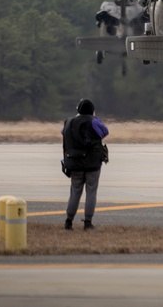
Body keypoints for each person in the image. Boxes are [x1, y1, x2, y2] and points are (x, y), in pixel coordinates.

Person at [61, 98, 109, 230]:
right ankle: (88, 222)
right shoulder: (93, 121)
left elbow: (63, 133)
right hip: (92, 164)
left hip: (74, 163)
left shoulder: (69, 122)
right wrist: (94, 118)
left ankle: (68, 221)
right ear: (92, 111)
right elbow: (104, 131)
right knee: (91, 192)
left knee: (75, 192)